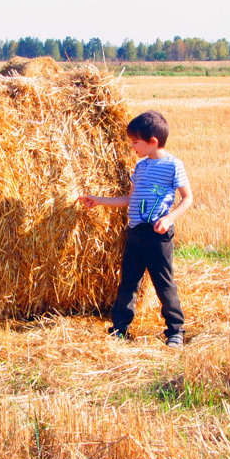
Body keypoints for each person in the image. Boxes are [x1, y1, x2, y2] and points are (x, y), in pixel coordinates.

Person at [79, 110, 193, 347]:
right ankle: (119, 328)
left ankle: (175, 331)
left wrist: (169, 218)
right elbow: (130, 199)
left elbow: (188, 198)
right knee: (129, 282)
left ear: (152, 142)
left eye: (135, 142)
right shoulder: (140, 167)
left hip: (158, 236)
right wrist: (99, 200)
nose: (132, 147)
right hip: (135, 234)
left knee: (164, 283)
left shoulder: (173, 165)